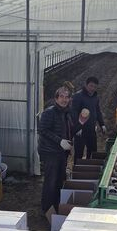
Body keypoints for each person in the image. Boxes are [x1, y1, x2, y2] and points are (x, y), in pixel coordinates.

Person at [38, 87, 74, 216]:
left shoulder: (66, 112)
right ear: (56, 98)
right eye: (61, 97)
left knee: (59, 180)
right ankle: (47, 209)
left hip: (61, 152)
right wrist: (59, 141)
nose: (64, 99)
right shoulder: (50, 112)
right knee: (51, 181)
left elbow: (68, 129)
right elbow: (42, 130)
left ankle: (56, 205)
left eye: (67, 97)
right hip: (50, 152)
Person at [71, 76, 106, 159]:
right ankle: (77, 166)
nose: (92, 88)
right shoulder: (78, 96)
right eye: (91, 86)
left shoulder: (95, 97)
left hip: (91, 128)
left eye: (95, 87)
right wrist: (77, 127)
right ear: (86, 85)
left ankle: (90, 165)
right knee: (79, 152)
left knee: (93, 151)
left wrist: (102, 124)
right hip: (81, 130)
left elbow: (97, 111)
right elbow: (74, 113)